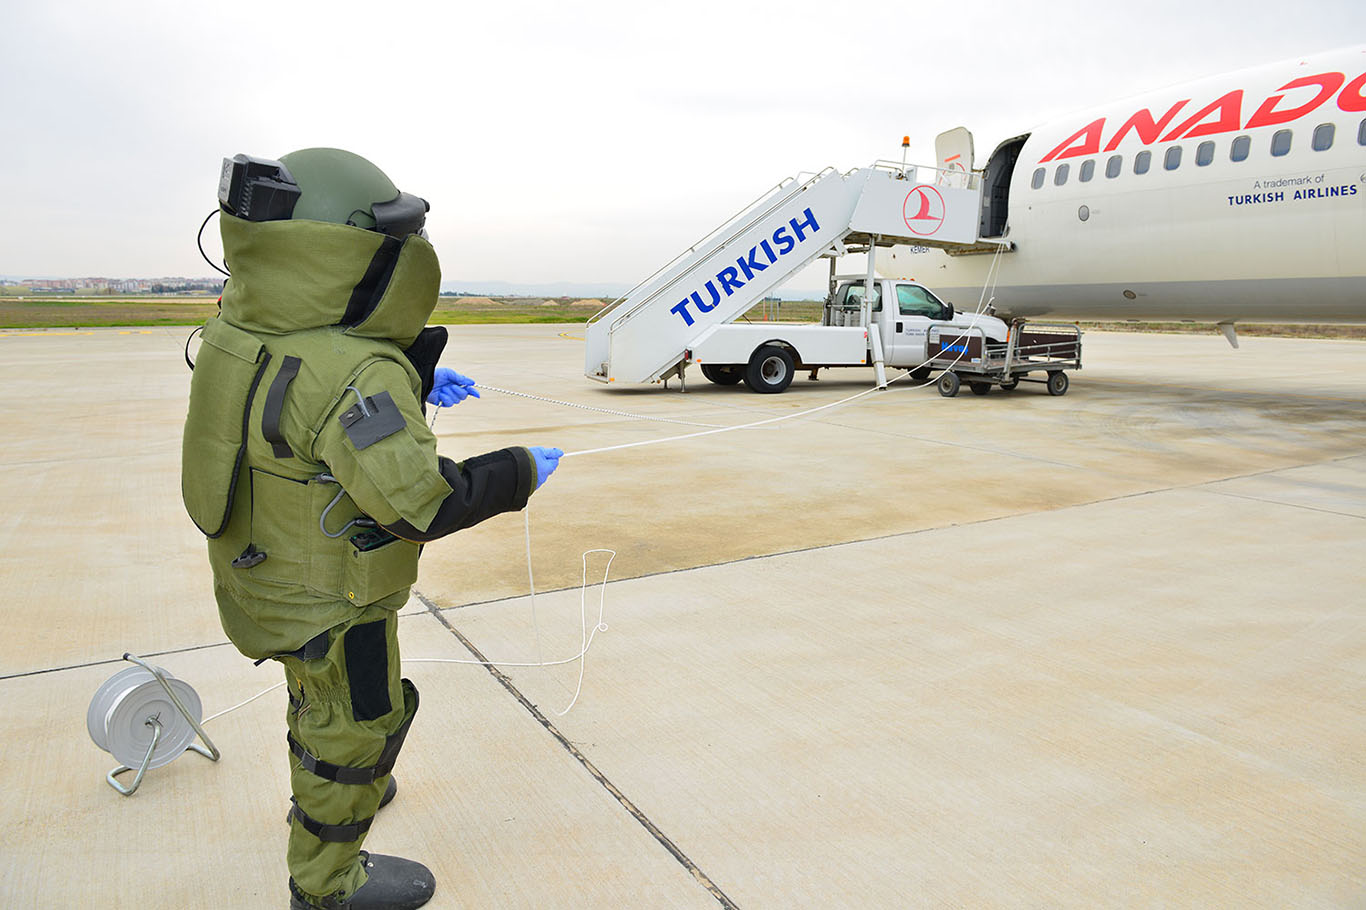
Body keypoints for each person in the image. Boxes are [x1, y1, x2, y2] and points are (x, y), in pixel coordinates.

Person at [181, 148, 562, 909]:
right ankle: (326, 881)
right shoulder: (357, 370)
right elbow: (421, 504)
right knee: (357, 724)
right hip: (329, 597)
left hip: (259, 577)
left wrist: (412, 377)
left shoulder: (238, 324)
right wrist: (520, 469)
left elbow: (293, 408)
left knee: (314, 700)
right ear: (356, 245)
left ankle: (332, 796)